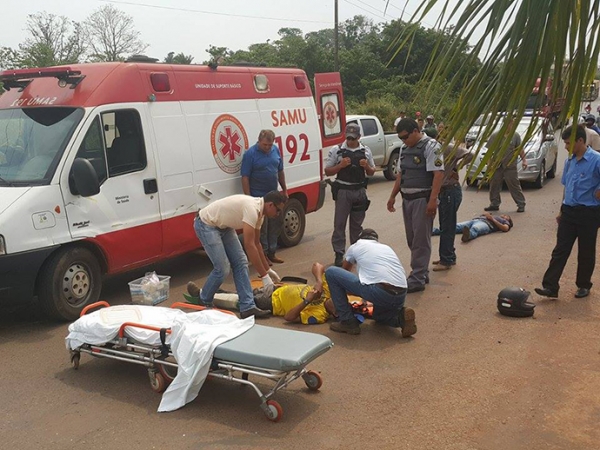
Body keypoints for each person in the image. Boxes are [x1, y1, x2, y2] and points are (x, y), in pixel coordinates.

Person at [193, 191, 287, 319]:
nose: (278, 214)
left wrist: (268, 270)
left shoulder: (260, 214)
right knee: (222, 268)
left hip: (224, 226)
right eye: (278, 210)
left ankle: (247, 307)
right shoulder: (252, 210)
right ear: (270, 205)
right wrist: (264, 277)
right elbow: (249, 246)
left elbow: (257, 244)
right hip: (206, 224)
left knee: (241, 262)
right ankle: (204, 300)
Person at [535, 125, 600, 299]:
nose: (566, 146)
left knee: (586, 251)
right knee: (560, 250)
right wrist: (561, 211)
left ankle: (583, 285)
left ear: (580, 140)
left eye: (568, 143)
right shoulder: (569, 161)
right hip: (569, 212)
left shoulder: (596, 160)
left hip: (589, 213)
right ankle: (550, 286)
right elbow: (567, 187)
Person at [387, 118, 445, 293]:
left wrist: (433, 200)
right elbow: (401, 174)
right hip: (408, 199)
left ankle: (417, 277)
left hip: (422, 198)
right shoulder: (405, 149)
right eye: (401, 138)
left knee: (421, 239)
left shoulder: (431, 146)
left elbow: (438, 174)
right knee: (412, 238)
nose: (403, 141)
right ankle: (422, 271)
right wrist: (392, 196)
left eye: (405, 137)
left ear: (415, 131)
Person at [325, 228, 416, 337]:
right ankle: (401, 319)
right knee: (379, 317)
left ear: (360, 238)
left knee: (331, 273)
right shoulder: (386, 248)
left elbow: (343, 272)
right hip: (401, 292)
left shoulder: (356, 246)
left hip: (379, 291)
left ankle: (347, 321)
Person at [187, 262, 337, 324]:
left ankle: (201, 294)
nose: (337, 303)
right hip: (276, 289)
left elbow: (289, 317)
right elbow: (318, 265)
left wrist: (307, 301)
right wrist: (318, 281)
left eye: (338, 308)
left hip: (271, 303)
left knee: (238, 300)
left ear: (335, 315)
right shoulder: (329, 291)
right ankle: (211, 292)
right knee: (241, 293)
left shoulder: (319, 315)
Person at [325, 123, 376, 267]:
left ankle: (355, 253)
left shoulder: (366, 150)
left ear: (359, 137)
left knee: (356, 226)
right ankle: (339, 254)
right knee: (339, 224)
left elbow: (372, 171)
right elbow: (328, 171)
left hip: (359, 191)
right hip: (343, 191)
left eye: (353, 138)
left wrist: (366, 166)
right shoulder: (337, 150)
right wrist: (340, 166)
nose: (350, 141)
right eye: (348, 138)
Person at [241, 130, 288, 264]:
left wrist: (284, 189)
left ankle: (272, 252)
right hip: (258, 197)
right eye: (265, 145)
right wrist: (248, 198)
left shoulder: (276, 151)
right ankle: (264, 255)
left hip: (274, 195)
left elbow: (280, 171)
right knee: (261, 229)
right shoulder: (250, 154)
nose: (267, 147)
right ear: (259, 141)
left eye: (270, 145)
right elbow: (245, 177)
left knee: (276, 223)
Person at [432, 140, 474, 270]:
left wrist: (458, 167)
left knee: (448, 226)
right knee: (445, 225)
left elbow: (470, 154)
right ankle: (448, 255)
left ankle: (447, 260)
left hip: (450, 190)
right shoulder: (434, 150)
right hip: (443, 191)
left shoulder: (448, 148)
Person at [484, 121, 527, 213]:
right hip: (497, 165)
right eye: (509, 124)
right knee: (494, 185)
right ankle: (494, 203)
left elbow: (520, 149)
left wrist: (524, 160)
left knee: (514, 184)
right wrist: (489, 164)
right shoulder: (495, 136)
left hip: (510, 166)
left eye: (512, 124)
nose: (510, 126)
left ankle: (521, 203)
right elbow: (489, 152)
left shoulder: (515, 136)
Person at [433, 212, 513, 242]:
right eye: (504, 215)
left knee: (475, 229)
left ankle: (468, 236)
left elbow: (505, 228)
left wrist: (492, 219)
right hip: (475, 220)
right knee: (455, 226)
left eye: (507, 216)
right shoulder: (495, 215)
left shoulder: (504, 221)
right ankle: (433, 231)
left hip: (486, 224)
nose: (505, 216)